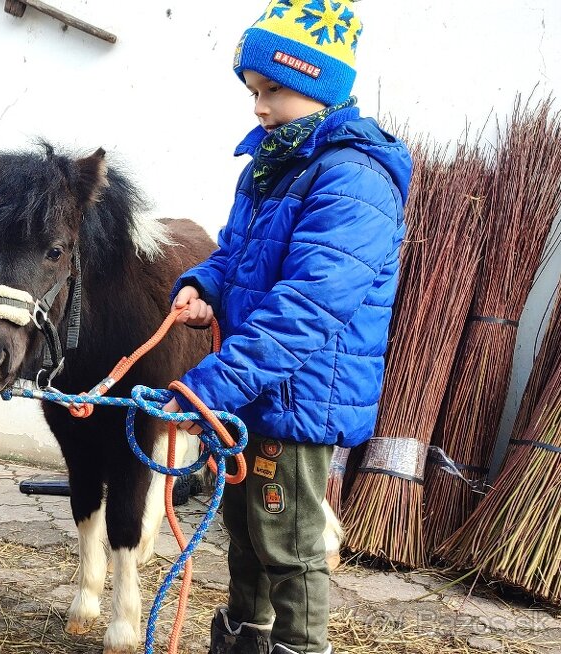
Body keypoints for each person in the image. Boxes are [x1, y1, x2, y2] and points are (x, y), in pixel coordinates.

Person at [162, 2, 412, 653]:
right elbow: (237, 254)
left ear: (320, 86)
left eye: (273, 89)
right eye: (253, 91)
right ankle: (247, 634)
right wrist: (203, 286)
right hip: (254, 389)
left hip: (299, 395)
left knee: (290, 541)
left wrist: (210, 384)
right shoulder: (270, 168)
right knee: (243, 528)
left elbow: (308, 305)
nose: (258, 106)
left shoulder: (354, 180)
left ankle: (301, 645)